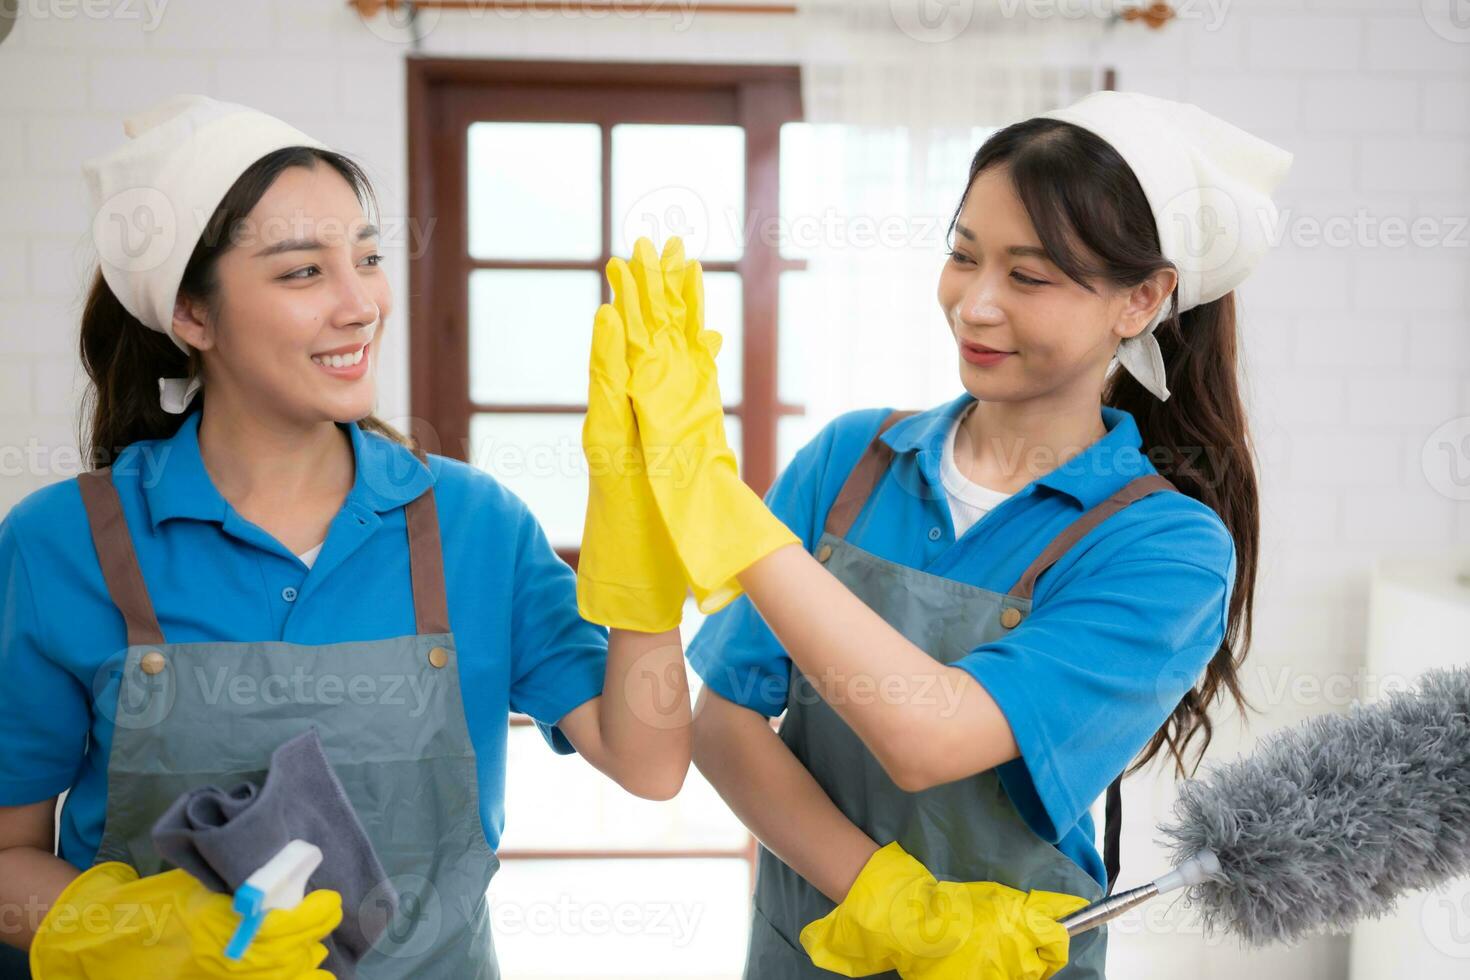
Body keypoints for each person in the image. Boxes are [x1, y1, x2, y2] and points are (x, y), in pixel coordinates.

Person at [602, 92, 1292, 978]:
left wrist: (723, 511)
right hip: (804, 952)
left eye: (1030, 276)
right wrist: (885, 902)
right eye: (963, 256)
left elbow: (932, 735)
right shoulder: (853, 461)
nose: (975, 304)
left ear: (1142, 299)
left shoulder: (1165, 548)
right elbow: (724, 720)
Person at [0, 95, 691, 979]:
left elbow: (652, 761)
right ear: (192, 318)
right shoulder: (65, 544)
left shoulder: (475, 527)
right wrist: (133, 928)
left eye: (367, 257)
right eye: (302, 273)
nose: (360, 303)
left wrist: (642, 533)